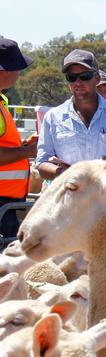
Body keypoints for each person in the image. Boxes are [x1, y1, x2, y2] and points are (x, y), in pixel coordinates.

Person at [36, 49, 106, 180]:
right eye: (71, 77)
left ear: (97, 78)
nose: (77, 83)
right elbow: (42, 163)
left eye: (85, 76)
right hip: (71, 197)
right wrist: (65, 173)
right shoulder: (53, 117)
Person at [0, 38, 37, 241]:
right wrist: (28, 152)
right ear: (4, 70)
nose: (19, 73)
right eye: (17, 67)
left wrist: (21, 147)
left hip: (6, 205)